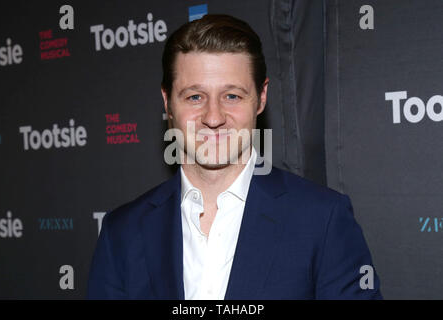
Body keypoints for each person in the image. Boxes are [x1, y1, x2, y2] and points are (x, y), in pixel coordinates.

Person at [87, 14, 382, 300]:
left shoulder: (323, 219)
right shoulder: (122, 232)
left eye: (232, 96)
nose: (213, 117)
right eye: (194, 97)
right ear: (168, 103)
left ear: (261, 98)